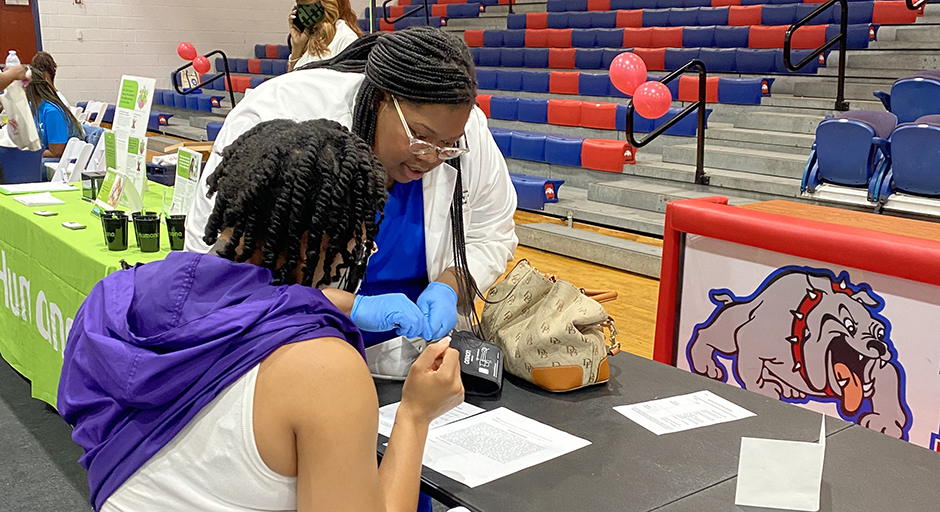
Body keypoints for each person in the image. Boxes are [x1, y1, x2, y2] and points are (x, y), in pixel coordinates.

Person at [58, 119, 465, 512]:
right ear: (325, 240)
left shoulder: (113, 296)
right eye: (358, 243)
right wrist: (415, 415)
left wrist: (344, 306)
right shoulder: (323, 368)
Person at [185, 27, 518, 348]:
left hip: (418, 359)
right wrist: (346, 307)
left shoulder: (460, 128)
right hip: (297, 353)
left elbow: (492, 234)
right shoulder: (283, 119)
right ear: (380, 101)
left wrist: (449, 286)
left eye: (447, 145)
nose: (432, 156)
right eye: (421, 138)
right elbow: (218, 272)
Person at [288, 0, 361, 72]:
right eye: (298, 3)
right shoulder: (309, 36)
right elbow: (290, 81)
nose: (302, 11)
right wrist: (297, 49)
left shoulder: (345, 37)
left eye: (306, 2)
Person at [25, 68, 83, 159]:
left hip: (58, 161)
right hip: (42, 154)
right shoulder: (31, 106)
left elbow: (56, 152)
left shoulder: (52, 112)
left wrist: (27, 153)